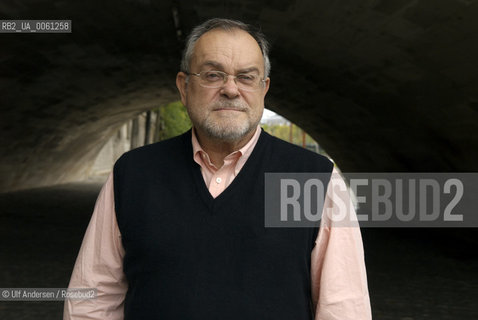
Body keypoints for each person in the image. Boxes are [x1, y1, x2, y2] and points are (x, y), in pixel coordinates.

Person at [64, 18, 371, 319]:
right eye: (213, 75)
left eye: (246, 77)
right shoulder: (132, 175)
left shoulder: (315, 179)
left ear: (264, 89)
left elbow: (344, 308)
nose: (230, 89)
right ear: (184, 87)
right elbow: (93, 299)